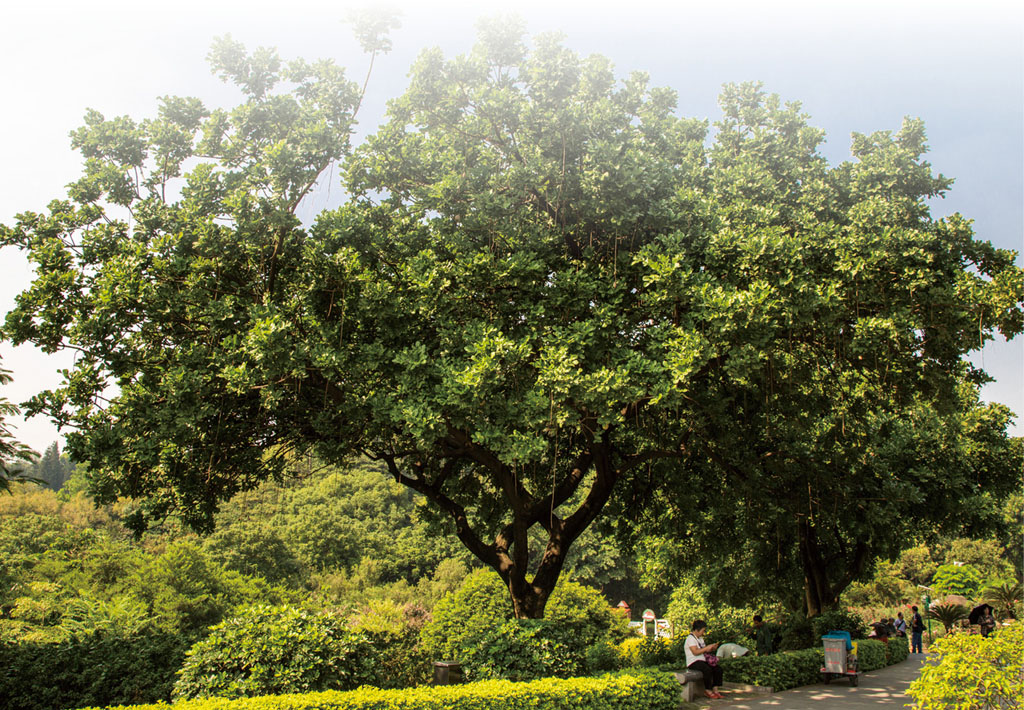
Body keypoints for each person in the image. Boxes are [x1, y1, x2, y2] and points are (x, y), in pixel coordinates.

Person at [685, 619, 725, 700]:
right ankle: (708, 690)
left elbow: (704, 651)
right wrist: (706, 647)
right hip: (693, 662)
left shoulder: (700, 638)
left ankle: (715, 690)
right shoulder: (690, 639)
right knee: (707, 669)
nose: (704, 633)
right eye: (703, 631)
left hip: (702, 660)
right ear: (697, 630)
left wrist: (712, 648)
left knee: (718, 669)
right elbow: (695, 652)